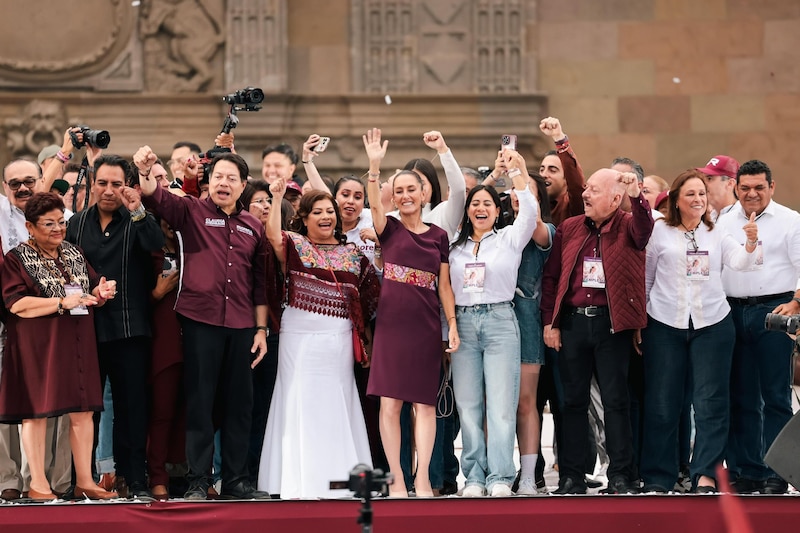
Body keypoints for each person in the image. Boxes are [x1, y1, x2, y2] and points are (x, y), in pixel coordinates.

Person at [137, 146, 272, 500]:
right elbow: (156, 197)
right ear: (208, 181)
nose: (223, 183)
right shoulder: (190, 211)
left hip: (243, 324)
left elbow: (260, 284)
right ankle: (199, 480)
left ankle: (236, 480)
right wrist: (145, 170)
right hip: (200, 321)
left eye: (231, 178)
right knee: (200, 402)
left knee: (240, 405)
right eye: (217, 177)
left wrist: (261, 330)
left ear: (244, 185)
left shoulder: (254, 227)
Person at [640, 170, 760, 493]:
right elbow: (647, 278)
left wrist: (750, 243)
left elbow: (739, 262)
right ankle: (657, 477)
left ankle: (705, 473)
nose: (698, 200)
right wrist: (641, 324)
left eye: (702, 194)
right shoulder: (659, 232)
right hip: (664, 323)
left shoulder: (717, 232)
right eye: (691, 194)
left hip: (712, 325)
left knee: (710, 403)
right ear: (676, 200)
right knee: (663, 403)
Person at [259, 184, 380, 498]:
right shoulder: (295, 244)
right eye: (318, 212)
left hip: (338, 339)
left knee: (337, 402)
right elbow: (272, 236)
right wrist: (274, 197)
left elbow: (372, 297)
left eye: (330, 212)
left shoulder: (353, 254)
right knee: (298, 399)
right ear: (304, 217)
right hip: (298, 337)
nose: (326, 217)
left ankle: (341, 479)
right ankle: (297, 481)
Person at [541, 169, 654, 495]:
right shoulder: (570, 227)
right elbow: (552, 278)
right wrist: (551, 322)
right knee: (571, 403)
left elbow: (644, 228)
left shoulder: (629, 225)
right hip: (574, 323)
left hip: (612, 325)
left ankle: (621, 476)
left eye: (593, 190)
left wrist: (637, 195)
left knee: (616, 401)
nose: (586, 195)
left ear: (615, 199)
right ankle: (572, 477)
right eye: (586, 188)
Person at [0, 192, 118, 501]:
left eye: (61, 223)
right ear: (30, 226)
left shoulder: (72, 252)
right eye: (49, 224)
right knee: (36, 413)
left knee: (83, 412)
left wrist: (101, 290)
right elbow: (16, 304)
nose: (58, 229)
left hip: (79, 344)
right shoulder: (17, 258)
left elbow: (90, 286)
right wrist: (61, 302)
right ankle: (38, 484)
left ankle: (84, 482)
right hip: (37, 346)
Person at [364, 128, 459, 498]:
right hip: (391, 327)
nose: (404, 195)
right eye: (398, 190)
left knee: (425, 405)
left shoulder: (438, 236)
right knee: (390, 404)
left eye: (411, 189)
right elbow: (374, 204)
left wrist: (452, 325)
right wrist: (374, 168)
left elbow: (445, 287)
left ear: (424, 194)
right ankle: (399, 481)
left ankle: (422, 479)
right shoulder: (386, 229)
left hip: (425, 327)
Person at [66, 154, 164, 500]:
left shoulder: (138, 219)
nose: (109, 191)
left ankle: (134, 479)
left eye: (117, 184)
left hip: (130, 328)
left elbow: (156, 245)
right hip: (85, 329)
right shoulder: (75, 224)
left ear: (128, 186)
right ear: (92, 184)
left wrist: (138, 210)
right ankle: (84, 479)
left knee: (132, 408)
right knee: (85, 410)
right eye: (102, 183)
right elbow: (66, 272)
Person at [448, 150, 539, 497]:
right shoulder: (454, 248)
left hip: (500, 320)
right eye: (474, 204)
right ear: (467, 211)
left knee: (501, 404)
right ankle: (472, 477)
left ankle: (500, 476)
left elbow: (529, 213)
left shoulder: (509, 240)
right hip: (464, 325)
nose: (480, 208)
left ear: (497, 210)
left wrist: (516, 170)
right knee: (469, 406)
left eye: (487, 203)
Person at [716, 159, 800, 495]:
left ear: (771, 187)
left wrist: (796, 304)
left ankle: (776, 472)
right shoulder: (723, 220)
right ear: (736, 187)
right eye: (745, 187)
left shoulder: (790, 220)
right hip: (731, 311)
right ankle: (745, 469)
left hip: (774, 310)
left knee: (776, 396)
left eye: (759, 187)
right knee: (741, 396)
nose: (752, 194)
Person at [510, 173, 555, 495]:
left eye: (527, 191)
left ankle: (528, 475)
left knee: (527, 403)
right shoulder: (498, 233)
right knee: (498, 404)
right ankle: (497, 470)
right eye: (514, 191)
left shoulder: (546, 231)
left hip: (527, 323)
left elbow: (537, 229)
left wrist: (518, 174)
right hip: (495, 320)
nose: (518, 194)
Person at [146, 215, 184, 500]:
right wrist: (157, 293)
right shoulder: (150, 251)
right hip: (163, 340)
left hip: (198, 339)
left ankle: (193, 474)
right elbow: (133, 296)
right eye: (166, 220)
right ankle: (157, 475)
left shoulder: (196, 249)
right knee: (162, 412)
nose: (171, 225)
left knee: (197, 413)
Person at [695, 155, 739, 221]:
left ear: (730, 184)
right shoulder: (710, 217)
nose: (703, 183)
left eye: (709, 178)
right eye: (703, 179)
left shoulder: (743, 217)